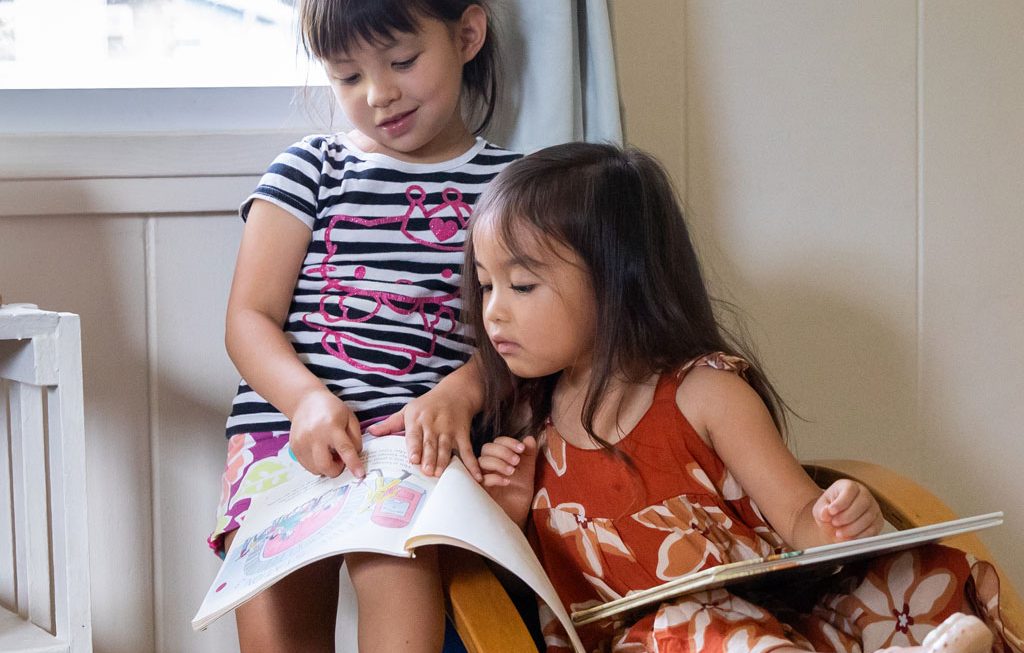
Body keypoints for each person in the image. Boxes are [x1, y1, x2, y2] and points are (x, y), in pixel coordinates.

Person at [465, 142, 1020, 653]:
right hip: (655, 643)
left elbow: (799, 515)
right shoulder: (525, 421)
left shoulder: (705, 393)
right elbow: (530, 595)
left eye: (522, 285)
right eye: (486, 284)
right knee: (689, 626)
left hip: (779, 624)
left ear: (616, 281)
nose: (493, 311)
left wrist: (839, 515)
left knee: (920, 570)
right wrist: (510, 516)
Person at [207, 1, 518, 651]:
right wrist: (307, 400)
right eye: (348, 77)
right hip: (285, 433)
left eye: (402, 61)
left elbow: (529, 336)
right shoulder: (310, 169)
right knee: (277, 628)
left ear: (467, 35)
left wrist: (464, 391)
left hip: (412, 446)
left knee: (403, 610)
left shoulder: (513, 188)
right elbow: (248, 319)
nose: (378, 94)